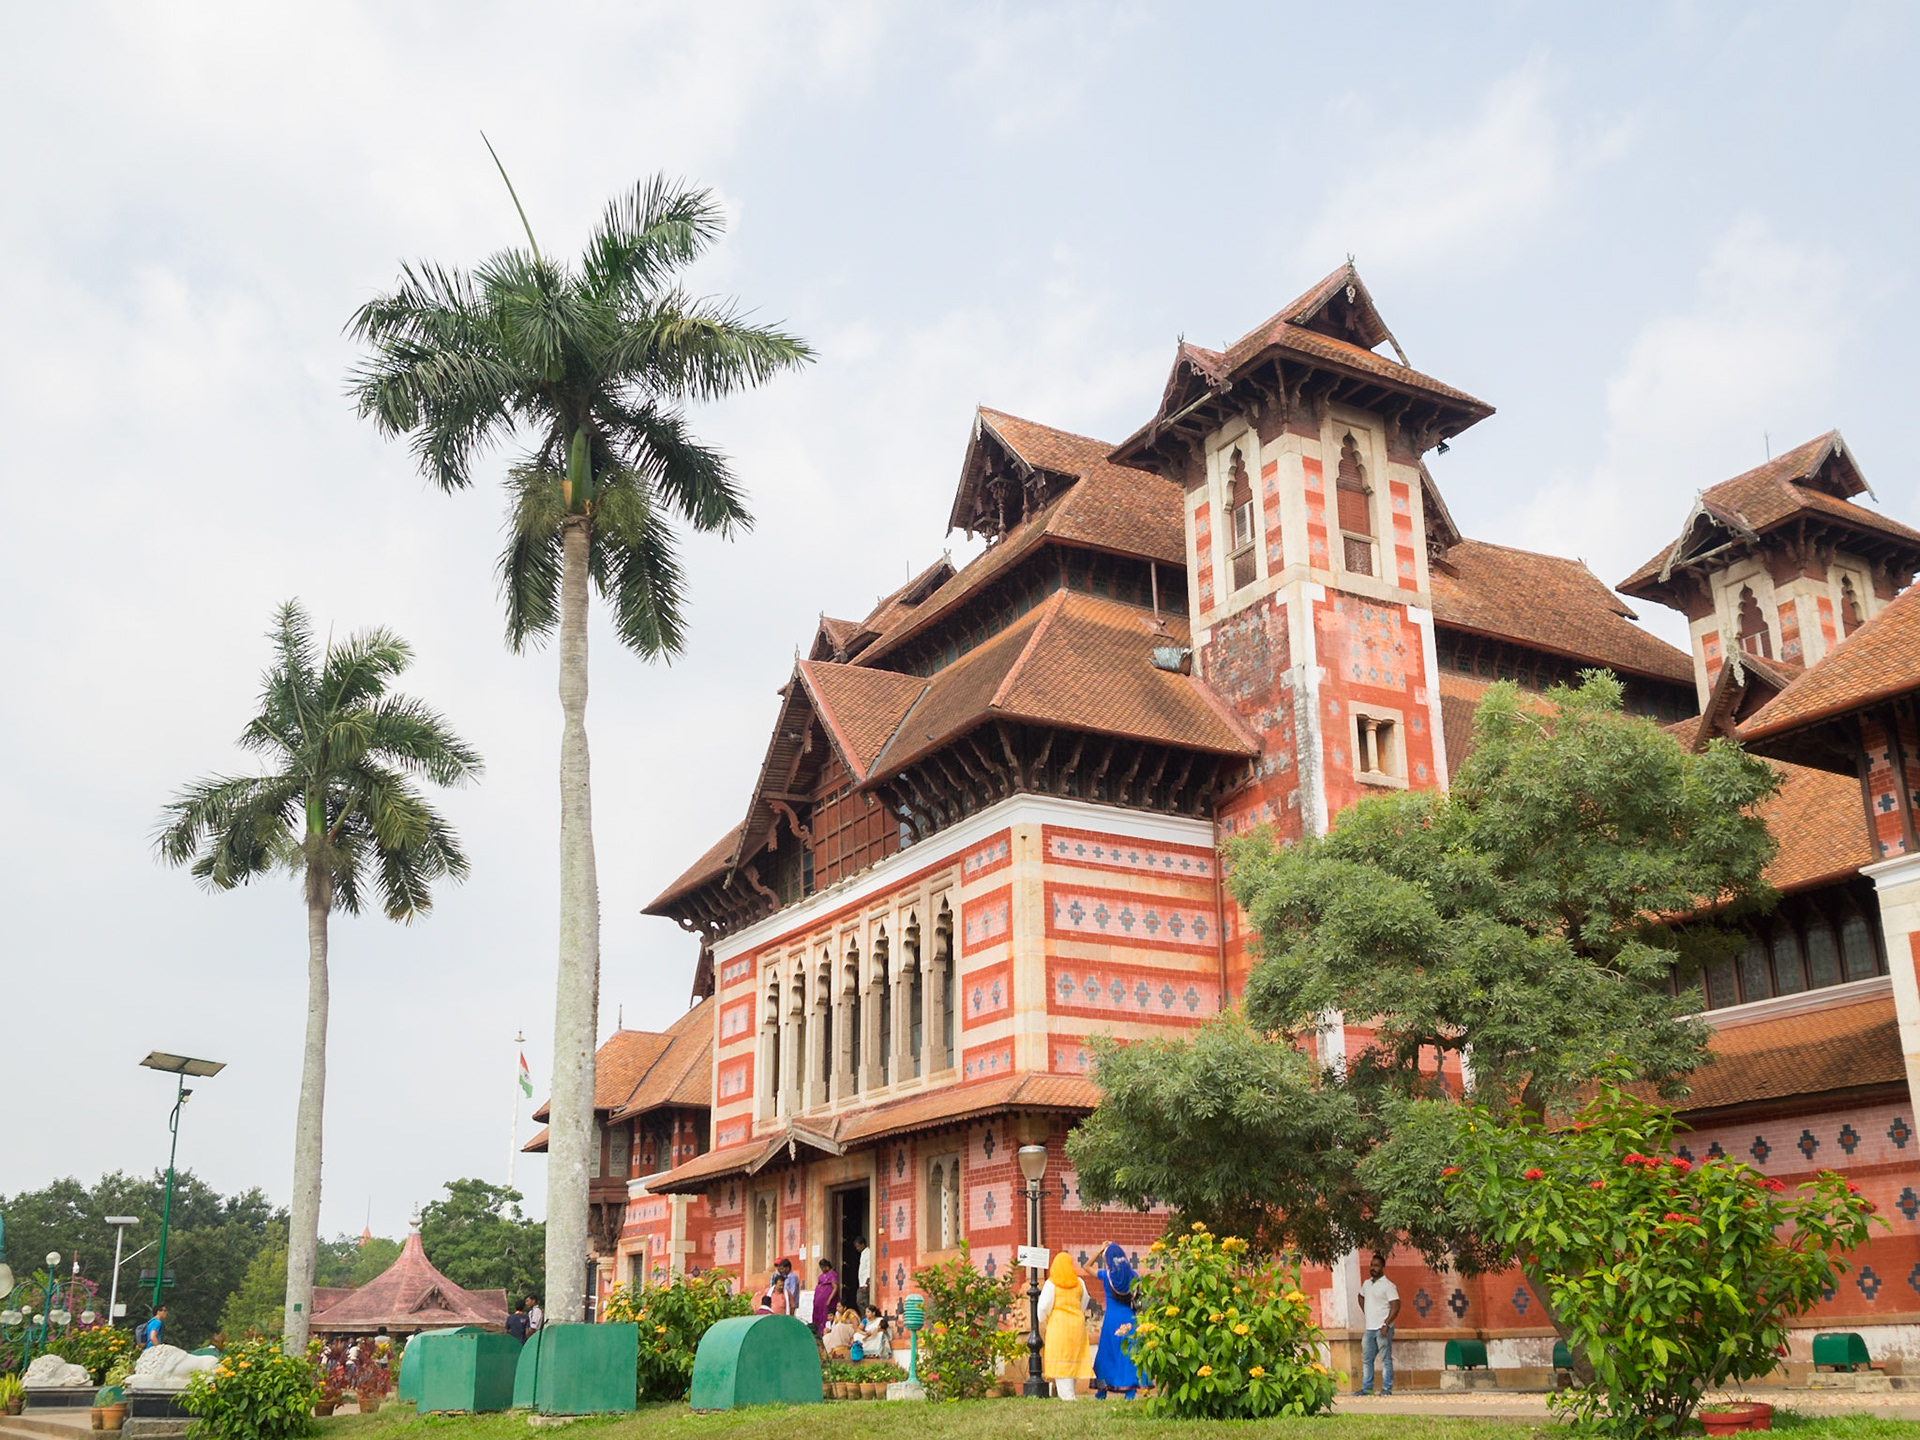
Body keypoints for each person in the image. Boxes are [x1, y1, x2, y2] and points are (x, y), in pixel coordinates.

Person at [1038, 1253, 1093, 1400]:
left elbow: (1043, 1307)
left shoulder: (1051, 1283)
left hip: (1058, 1326)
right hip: (1077, 1325)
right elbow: (1085, 1301)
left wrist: (1044, 1318)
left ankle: (1067, 1397)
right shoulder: (1080, 1282)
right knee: (1074, 1358)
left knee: (1061, 1360)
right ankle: (1071, 1393)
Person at [1091, 1242, 1139, 1399]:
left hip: (1111, 1320)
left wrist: (1100, 1250)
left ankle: (1101, 1391)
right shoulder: (1134, 1276)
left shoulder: (1107, 1276)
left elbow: (1086, 1266)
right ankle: (1130, 1392)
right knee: (1128, 1354)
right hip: (1130, 1319)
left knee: (1107, 1354)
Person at [1357, 1252, 1400, 1396]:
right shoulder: (1367, 1284)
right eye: (1372, 1265)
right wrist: (1366, 1312)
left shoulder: (1388, 1286)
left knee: (1385, 1359)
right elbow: (1360, 1297)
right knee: (1367, 1359)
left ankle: (1386, 1388)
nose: (1373, 1268)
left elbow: (1396, 1305)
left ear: (1383, 1267)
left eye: (1376, 1265)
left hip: (1383, 1328)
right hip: (1369, 1328)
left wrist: (1386, 1324)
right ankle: (1367, 1388)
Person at [810, 1260, 840, 1339]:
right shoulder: (821, 1276)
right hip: (819, 1302)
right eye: (821, 1268)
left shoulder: (832, 1274)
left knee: (826, 1316)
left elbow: (835, 1287)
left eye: (823, 1267)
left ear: (827, 1266)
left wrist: (829, 1299)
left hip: (827, 1301)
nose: (822, 1269)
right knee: (818, 1316)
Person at [853, 1236, 873, 1312]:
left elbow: (869, 1268)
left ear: (863, 1244)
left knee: (862, 1301)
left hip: (865, 1283)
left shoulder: (868, 1253)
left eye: (858, 1246)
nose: (857, 1248)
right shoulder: (863, 1253)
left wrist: (866, 1284)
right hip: (862, 1283)